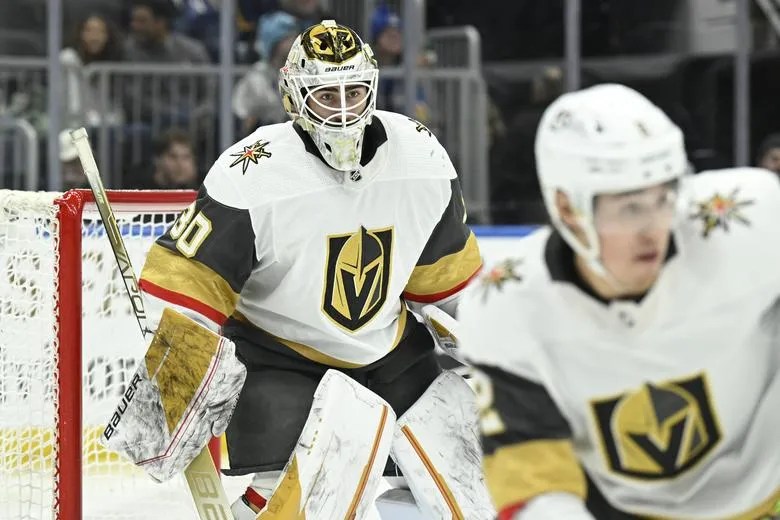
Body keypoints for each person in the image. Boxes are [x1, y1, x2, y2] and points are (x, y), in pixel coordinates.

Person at [136, 19, 493, 519]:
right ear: (294, 97)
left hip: (392, 356)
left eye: (355, 92)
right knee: (311, 494)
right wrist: (172, 384)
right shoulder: (253, 170)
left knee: (467, 486)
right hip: (281, 358)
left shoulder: (421, 157)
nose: (344, 110)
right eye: (326, 95)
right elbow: (187, 284)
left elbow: (446, 283)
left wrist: (497, 349)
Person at [455, 84, 780, 519]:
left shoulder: (749, 220)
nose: (654, 229)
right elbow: (534, 482)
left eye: (663, 199)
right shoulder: (509, 306)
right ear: (568, 210)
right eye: (630, 208)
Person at [232, 11, 300, 134]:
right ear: (274, 43)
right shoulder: (257, 76)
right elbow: (246, 119)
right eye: (288, 38)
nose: (295, 42)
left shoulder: (299, 72)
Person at [60, 12, 124, 129]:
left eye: (100, 32)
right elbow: (73, 106)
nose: (95, 37)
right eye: (89, 31)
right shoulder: (68, 59)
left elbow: (114, 108)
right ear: (80, 34)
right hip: (73, 127)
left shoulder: (111, 63)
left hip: (102, 127)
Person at [125, 128, 199, 189]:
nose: (180, 164)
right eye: (173, 157)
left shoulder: (200, 187)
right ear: (157, 159)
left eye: (186, 157)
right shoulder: (138, 184)